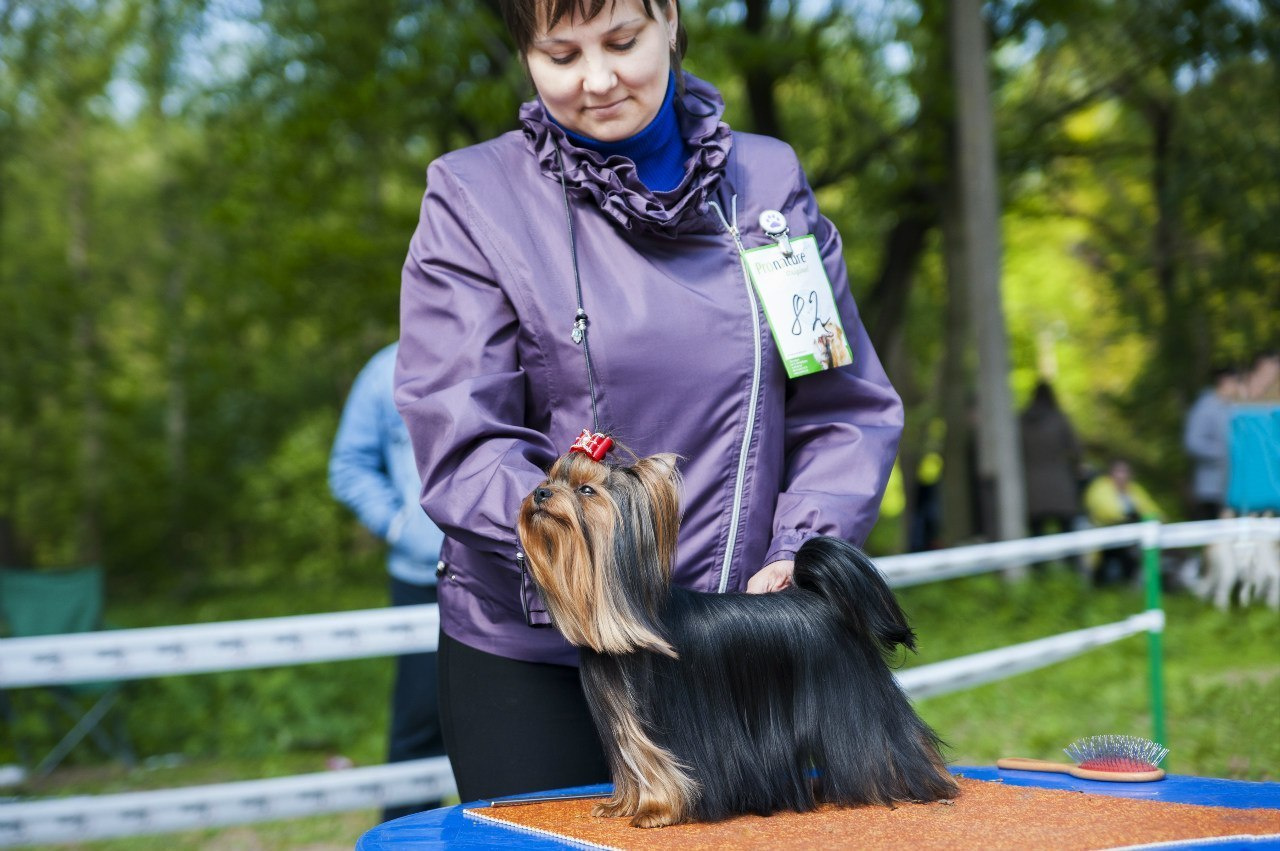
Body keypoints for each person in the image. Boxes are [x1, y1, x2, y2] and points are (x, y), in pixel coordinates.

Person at [393, 0, 903, 803]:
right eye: (560, 55)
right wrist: (591, 574)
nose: (597, 80)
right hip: (546, 659)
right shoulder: (473, 196)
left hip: (743, 655)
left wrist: (799, 548)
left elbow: (843, 405)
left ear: (668, 17)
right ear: (525, 56)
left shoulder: (767, 185)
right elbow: (463, 436)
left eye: (622, 41)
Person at [329, 342, 449, 822]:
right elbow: (348, 467)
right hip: (421, 579)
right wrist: (403, 528)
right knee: (419, 722)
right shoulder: (382, 371)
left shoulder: (514, 346)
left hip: (515, 576)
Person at [1083, 459, 1162, 586]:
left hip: (1131, 536)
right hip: (1105, 535)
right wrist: (1127, 517)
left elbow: (1150, 509)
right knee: (1115, 558)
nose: (1122, 475)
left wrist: (1158, 518)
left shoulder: (1134, 489)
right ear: (1110, 473)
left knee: (1132, 554)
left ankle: (1128, 586)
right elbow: (1105, 510)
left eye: (1125, 471)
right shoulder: (1100, 487)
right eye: (1118, 471)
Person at [1019, 381, 1082, 537]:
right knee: (1067, 533)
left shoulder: (1021, 421)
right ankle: (1071, 561)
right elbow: (1076, 451)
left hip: (1031, 487)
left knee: (1036, 535)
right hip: (1060, 485)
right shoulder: (1059, 419)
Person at [1183, 365, 1241, 520]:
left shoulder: (1232, 408)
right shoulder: (1205, 407)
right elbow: (1193, 442)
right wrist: (1224, 452)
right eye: (1236, 382)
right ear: (1224, 381)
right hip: (1209, 490)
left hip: (1230, 488)